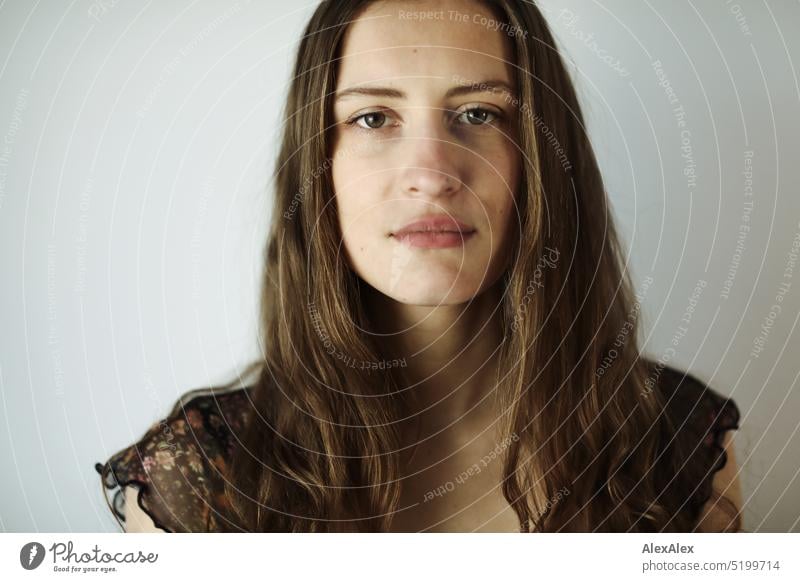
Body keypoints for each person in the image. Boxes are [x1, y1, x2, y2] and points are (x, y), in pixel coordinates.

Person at [96, 0, 743, 533]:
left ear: (544, 160)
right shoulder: (203, 480)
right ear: (317, 168)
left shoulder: (676, 445)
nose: (431, 176)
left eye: (479, 113)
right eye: (373, 117)